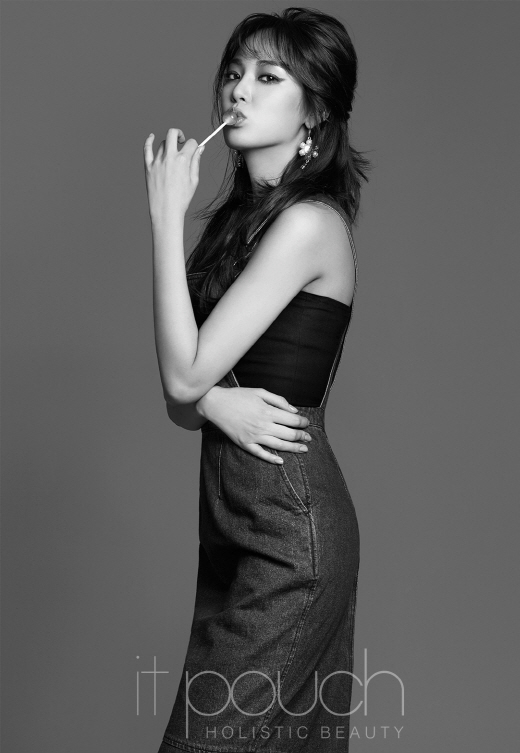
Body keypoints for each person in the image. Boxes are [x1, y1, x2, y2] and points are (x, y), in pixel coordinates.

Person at [143, 8, 372, 752]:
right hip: (232, 532)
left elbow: (184, 376)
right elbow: (182, 399)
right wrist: (213, 402)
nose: (238, 90)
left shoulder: (309, 225)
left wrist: (164, 219)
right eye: (234, 73)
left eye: (268, 77)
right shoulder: (237, 228)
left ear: (315, 112)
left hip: (288, 537)